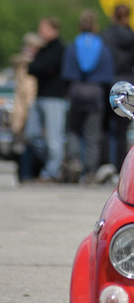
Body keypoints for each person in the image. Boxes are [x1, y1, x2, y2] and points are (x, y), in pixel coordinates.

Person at [62, 11, 115, 184]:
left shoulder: (73, 46)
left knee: (74, 130)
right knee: (93, 134)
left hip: (77, 91)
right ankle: (91, 170)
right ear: (95, 26)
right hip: (95, 92)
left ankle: (75, 161)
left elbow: (66, 74)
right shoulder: (103, 48)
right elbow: (108, 76)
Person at [101, 3, 134, 173]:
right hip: (129, 82)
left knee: (105, 125)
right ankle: (121, 166)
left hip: (109, 80)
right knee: (122, 129)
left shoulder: (106, 36)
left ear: (114, 16)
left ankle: (105, 164)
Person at [21, 17, 67, 182]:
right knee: (31, 134)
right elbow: (32, 68)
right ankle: (53, 162)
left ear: (53, 30)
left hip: (54, 98)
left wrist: (38, 67)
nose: (41, 32)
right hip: (40, 96)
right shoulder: (43, 49)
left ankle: (52, 171)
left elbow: (41, 66)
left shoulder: (59, 48)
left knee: (54, 138)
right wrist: (38, 67)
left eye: (44, 28)